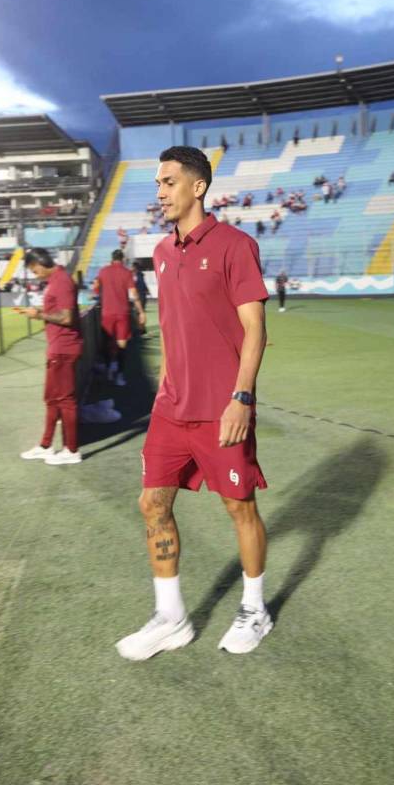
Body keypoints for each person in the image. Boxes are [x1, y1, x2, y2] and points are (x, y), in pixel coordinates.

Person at [115, 145, 272, 661]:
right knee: (152, 504)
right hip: (170, 408)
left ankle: (255, 610)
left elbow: (255, 328)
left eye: (168, 182)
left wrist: (241, 398)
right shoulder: (160, 252)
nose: (159, 192)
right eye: (157, 184)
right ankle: (172, 617)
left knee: (238, 507)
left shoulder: (235, 246)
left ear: (197, 187)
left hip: (222, 408)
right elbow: (178, 329)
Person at [14, 248, 83, 466]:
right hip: (58, 347)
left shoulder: (61, 281)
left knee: (65, 400)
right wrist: (37, 313)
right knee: (52, 399)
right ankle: (45, 446)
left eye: (35, 271)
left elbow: (67, 317)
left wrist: (39, 315)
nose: (36, 275)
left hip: (64, 348)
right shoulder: (58, 280)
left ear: (40, 264)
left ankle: (71, 450)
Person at [94, 249, 147, 386]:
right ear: (122, 259)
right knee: (122, 344)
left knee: (106, 342)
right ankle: (119, 375)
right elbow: (134, 293)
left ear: (112, 259)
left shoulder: (103, 271)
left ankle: (108, 370)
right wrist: (141, 311)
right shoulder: (126, 272)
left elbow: (96, 287)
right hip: (122, 312)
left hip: (107, 312)